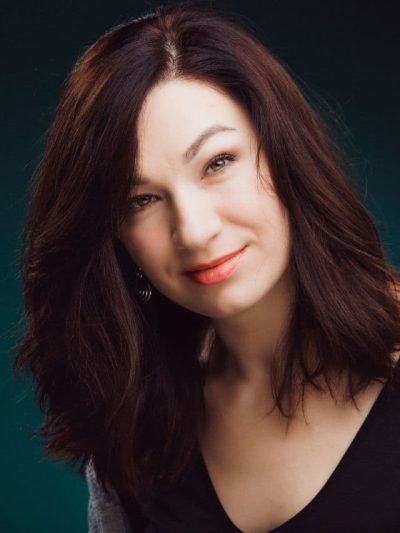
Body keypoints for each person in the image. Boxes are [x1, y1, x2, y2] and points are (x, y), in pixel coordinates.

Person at [15, 2, 400, 532]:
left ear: (286, 154)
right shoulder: (135, 420)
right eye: (141, 200)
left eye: (218, 163)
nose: (194, 231)